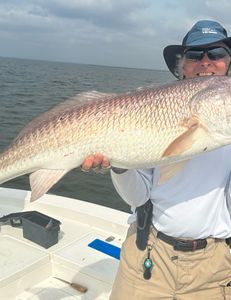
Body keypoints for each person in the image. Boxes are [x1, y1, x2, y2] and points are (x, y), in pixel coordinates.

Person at [82, 20, 231, 299]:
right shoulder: (153, 111)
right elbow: (138, 198)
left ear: (228, 62)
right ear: (182, 65)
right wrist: (121, 163)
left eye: (217, 54)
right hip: (147, 255)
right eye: (196, 56)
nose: (206, 63)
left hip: (213, 269)